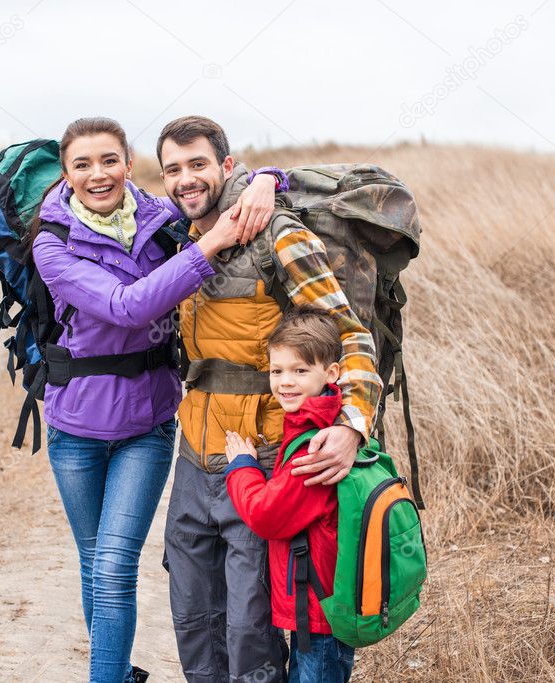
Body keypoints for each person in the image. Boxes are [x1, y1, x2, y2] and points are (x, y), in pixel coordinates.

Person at [31, 116, 281, 683]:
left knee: (115, 567)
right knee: (96, 564)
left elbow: (210, 188)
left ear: (128, 162)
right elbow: (127, 306)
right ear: (65, 174)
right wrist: (212, 245)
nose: (99, 174)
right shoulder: (52, 244)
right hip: (74, 430)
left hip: (147, 425)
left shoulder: (158, 216)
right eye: (83, 164)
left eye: (110, 160)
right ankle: (115, 671)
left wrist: (268, 177)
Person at [157, 116, 383, 682]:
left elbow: (349, 334)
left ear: (226, 167)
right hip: (194, 449)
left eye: (198, 165)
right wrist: (269, 175)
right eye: (173, 169)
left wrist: (353, 426)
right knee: (191, 614)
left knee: (249, 628)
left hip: (262, 452)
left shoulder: (278, 234)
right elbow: (95, 189)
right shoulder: (180, 233)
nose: (186, 179)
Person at [224, 305, 356, 682]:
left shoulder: (316, 447)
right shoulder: (318, 422)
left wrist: (243, 468)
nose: (285, 382)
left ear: (331, 373)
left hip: (320, 611)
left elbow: (268, 514)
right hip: (317, 605)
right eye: (277, 370)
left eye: (300, 370)